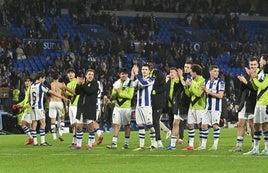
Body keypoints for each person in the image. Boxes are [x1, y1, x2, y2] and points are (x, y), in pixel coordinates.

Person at [30, 72, 68, 146]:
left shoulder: (32, 85)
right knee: (43, 123)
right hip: (39, 107)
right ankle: (43, 141)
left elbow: (29, 97)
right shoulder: (40, 85)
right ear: (40, 78)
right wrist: (62, 97)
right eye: (43, 78)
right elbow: (51, 92)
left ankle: (35, 142)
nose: (44, 80)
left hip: (33, 107)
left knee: (34, 124)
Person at [229, 57, 258, 152]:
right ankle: (239, 145)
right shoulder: (245, 77)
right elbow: (241, 91)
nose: (253, 66)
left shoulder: (259, 76)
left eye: (254, 65)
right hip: (244, 103)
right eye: (251, 65)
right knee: (241, 123)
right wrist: (238, 103)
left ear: (257, 65)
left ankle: (254, 145)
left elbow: (256, 89)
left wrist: (246, 81)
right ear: (249, 66)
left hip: (253, 103)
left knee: (252, 124)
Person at [196, 65, 225, 151]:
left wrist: (209, 91)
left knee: (215, 125)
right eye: (215, 71)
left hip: (215, 108)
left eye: (217, 71)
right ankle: (203, 146)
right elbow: (201, 94)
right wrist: (202, 91)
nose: (216, 73)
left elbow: (220, 95)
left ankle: (215, 145)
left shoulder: (221, 83)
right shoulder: (206, 82)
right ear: (210, 71)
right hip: (207, 107)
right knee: (204, 126)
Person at [244, 55, 268, 155]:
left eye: (261, 59)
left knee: (265, 125)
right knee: (256, 125)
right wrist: (252, 77)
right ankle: (256, 148)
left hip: (265, 102)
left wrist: (254, 78)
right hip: (258, 102)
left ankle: (267, 148)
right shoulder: (262, 73)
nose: (260, 61)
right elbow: (255, 87)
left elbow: (262, 86)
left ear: (265, 61)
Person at [131, 64, 157, 151]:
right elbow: (131, 85)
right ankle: (141, 146)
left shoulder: (151, 79)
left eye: (146, 69)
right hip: (138, 106)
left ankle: (154, 144)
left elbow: (143, 83)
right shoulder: (139, 79)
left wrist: (136, 74)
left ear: (149, 71)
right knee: (140, 125)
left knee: (149, 125)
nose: (144, 71)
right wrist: (132, 75)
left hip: (147, 106)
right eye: (142, 69)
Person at [106, 67, 135, 149]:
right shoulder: (116, 83)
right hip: (117, 107)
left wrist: (120, 93)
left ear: (127, 75)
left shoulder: (131, 83)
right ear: (120, 75)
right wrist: (116, 93)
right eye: (122, 74)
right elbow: (113, 95)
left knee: (127, 125)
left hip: (126, 107)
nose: (124, 75)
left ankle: (126, 143)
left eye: (125, 74)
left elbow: (130, 96)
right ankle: (114, 143)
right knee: (115, 124)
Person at [71, 69, 99, 150]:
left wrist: (82, 85)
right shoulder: (84, 84)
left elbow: (89, 91)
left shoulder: (95, 84)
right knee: (79, 126)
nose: (90, 76)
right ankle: (79, 145)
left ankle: (89, 145)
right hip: (81, 108)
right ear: (86, 76)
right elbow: (77, 92)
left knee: (90, 126)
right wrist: (78, 84)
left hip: (89, 108)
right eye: (89, 74)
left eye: (92, 75)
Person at [182, 64, 206, 151]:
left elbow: (198, 94)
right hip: (192, 106)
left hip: (200, 106)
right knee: (190, 124)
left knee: (200, 126)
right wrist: (186, 87)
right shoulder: (192, 80)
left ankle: (201, 143)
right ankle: (190, 145)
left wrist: (191, 85)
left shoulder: (203, 81)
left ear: (195, 72)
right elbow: (189, 94)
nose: (190, 73)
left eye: (191, 72)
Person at [49, 73, 73, 141]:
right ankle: (60, 134)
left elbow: (48, 94)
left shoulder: (50, 84)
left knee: (53, 120)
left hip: (52, 102)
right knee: (62, 118)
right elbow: (66, 93)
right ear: (58, 77)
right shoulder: (61, 85)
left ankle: (54, 137)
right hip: (59, 102)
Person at [151, 68, 167, 148]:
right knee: (153, 122)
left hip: (158, 102)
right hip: (151, 103)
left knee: (156, 121)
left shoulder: (158, 73)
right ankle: (155, 141)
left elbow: (164, 86)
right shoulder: (148, 76)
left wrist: (155, 91)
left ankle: (159, 141)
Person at [16, 77, 33, 145]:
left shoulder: (31, 89)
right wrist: (18, 105)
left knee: (22, 124)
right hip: (28, 109)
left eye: (28, 81)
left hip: (29, 110)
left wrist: (23, 107)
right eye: (26, 81)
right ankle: (31, 139)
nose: (27, 82)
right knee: (29, 126)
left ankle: (31, 138)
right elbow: (25, 101)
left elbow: (31, 102)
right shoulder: (27, 89)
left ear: (31, 82)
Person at [66, 68, 79, 146]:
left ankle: (77, 140)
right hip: (71, 105)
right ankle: (74, 140)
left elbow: (74, 93)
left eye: (72, 73)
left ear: (74, 74)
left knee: (77, 124)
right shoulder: (68, 84)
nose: (70, 74)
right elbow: (68, 95)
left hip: (77, 105)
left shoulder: (77, 82)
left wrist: (65, 89)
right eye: (69, 73)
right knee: (73, 124)